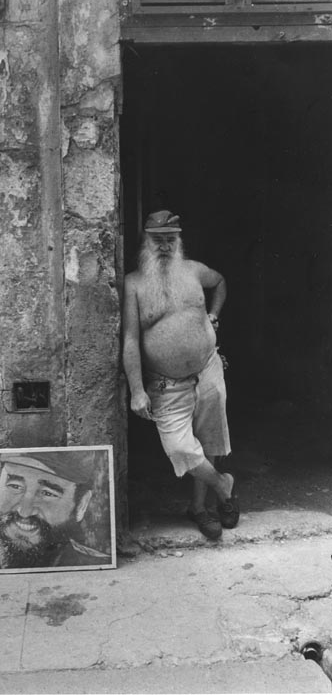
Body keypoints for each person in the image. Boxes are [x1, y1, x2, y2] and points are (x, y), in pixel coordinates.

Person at [122, 209, 239, 540]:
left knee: (209, 438)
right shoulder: (134, 284)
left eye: (170, 239)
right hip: (165, 382)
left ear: (179, 241)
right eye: (157, 239)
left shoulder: (194, 271)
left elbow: (221, 283)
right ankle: (223, 485)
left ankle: (200, 508)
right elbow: (130, 340)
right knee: (180, 448)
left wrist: (213, 316)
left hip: (208, 367)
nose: (164, 245)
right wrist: (136, 390)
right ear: (146, 241)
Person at [0, 451, 110, 570]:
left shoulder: (96, 564)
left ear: (81, 505)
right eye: (15, 486)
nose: (24, 511)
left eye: (48, 493)